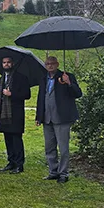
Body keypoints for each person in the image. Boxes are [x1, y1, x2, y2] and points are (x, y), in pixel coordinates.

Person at [36, 56, 83, 184]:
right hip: (47, 118)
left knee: (63, 148)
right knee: (49, 147)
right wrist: (38, 116)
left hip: (62, 118)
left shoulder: (67, 76)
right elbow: (41, 98)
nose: (50, 66)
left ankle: (63, 173)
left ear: (57, 64)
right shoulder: (43, 78)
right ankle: (53, 171)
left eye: (52, 63)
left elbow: (78, 93)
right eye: (47, 64)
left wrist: (69, 83)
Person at [0, 57, 32, 174]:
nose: (6, 64)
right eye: (4, 62)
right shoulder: (1, 79)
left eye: (8, 62)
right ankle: (11, 162)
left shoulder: (21, 78)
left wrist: (12, 94)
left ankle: (19, 164)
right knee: (8, 139)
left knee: (16, 139)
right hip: (3, 113)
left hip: (15, 113)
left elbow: (27, 94)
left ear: (13, 63)